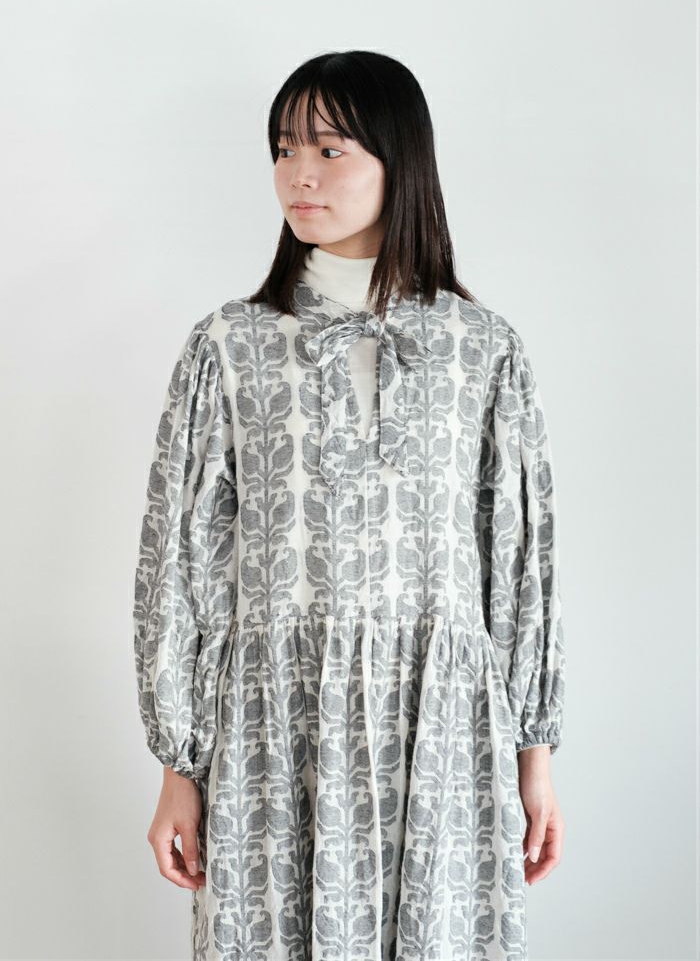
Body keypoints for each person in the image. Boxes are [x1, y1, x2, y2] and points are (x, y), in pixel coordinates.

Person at [133, 49, 566, 961]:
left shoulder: (481, 349)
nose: (299, 174)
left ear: (399, 161)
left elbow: (520, 559)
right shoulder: (230, 345)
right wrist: (179, 765)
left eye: (330, 150)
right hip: (272, 733)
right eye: (284, 148)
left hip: (442, 733)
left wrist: (536, 759)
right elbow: (180, 558)